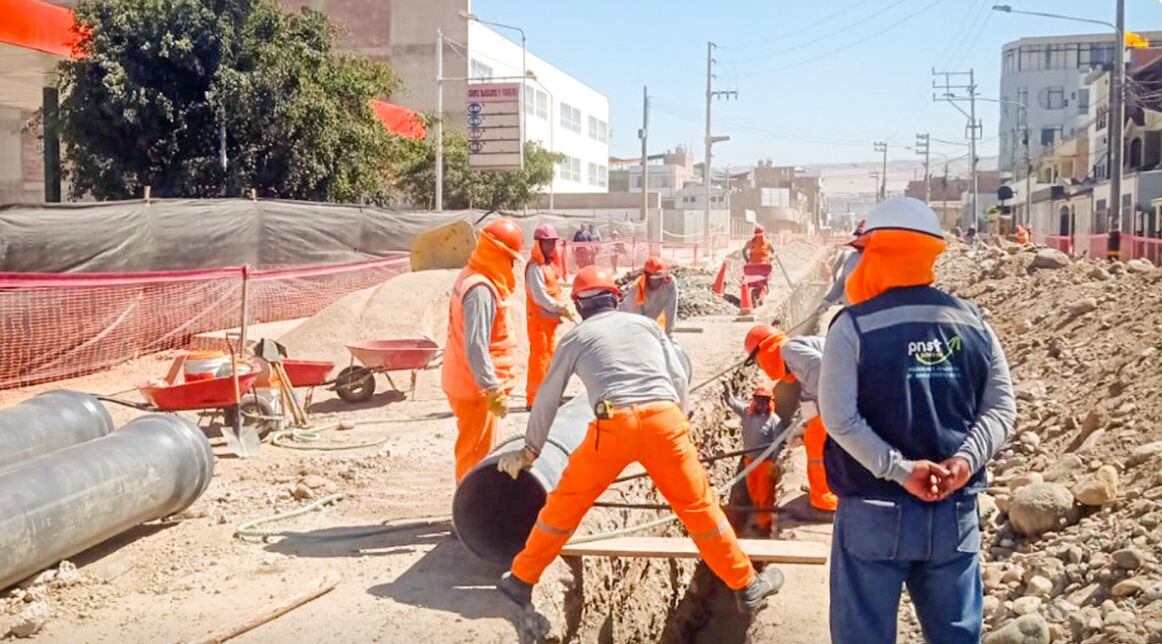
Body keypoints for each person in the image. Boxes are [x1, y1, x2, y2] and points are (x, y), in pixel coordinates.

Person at [495, 265, 785, 614]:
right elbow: (678, 374)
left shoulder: (575, 338)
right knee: (700, 510)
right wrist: (680, 417)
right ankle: (746, 586)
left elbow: (546, 396)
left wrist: (530, 450)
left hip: (610, 425)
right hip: (663, 421)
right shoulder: (647, 325)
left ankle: (521, 579)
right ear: (616, 299)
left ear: (578, 305)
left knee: (564, 505)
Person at [818, 196, 1016, 643]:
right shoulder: (975, 323)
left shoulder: (853, 326)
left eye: (863, 252)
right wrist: (964, 462)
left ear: (878, 252)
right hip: (954, 512)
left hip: (873, 514)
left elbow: (839, 418)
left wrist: (901, 471)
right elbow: (1002, 407)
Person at [441, 218, 525, 483]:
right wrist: (492, 387)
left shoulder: (474, 276)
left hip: (470, 383)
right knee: (474, 455)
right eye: (510, 258)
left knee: (479, 450)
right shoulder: (480, 290)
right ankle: (467, 516)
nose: (511, 265)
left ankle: (472, 510)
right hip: (476, 389)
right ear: (498, 254)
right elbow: (476, 346)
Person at [743, 326, 838, 512]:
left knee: (816, 440)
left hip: (843, 389)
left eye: (758, 362)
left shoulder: (789, 350)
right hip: (844, 389)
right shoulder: (793, 353)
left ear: (764, 350)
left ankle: (824, 501)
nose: (761, 367)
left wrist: (811, 414)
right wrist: (804, 424)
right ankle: (830, 488)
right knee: (826, 439)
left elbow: (819, 368)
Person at [525, 224, 576, 410]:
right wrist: (558, 307)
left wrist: (561, 306)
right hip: (539, 321)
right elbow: (540, 296)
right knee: (540, 360)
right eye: (548, 243)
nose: (552, 246)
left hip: (549, 321)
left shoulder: (547, 266)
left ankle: (548, 397)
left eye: (553, 243)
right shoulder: (534, 267)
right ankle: (534, 399)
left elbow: (554, 289)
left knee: (549, 359)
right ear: (539, 244)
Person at [723, 384, 782, 535]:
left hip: (764, 464)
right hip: (749, 461)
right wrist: (727, 393)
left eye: (765, 400)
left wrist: (774, 463)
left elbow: (777, 443)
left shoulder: (774, 420)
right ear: (754, 400)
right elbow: (733, 403)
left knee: (764, 496)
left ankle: (765, 526)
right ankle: (757, 518)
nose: (761, 403)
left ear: (769, 402)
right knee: (753, 492)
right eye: (758, 399)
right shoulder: (747, 413)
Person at [620, 256, 678, 336]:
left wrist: (669, 333)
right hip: (630, 324)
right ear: (647, 277)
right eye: (656, 279)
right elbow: (637, 321)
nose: (659, 283)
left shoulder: (669, 283)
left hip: (650, 323)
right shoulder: (636, 290)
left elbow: (671, 308)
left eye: (661, 278)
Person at [819, 220, 867, 310]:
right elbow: (841, 284)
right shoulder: (851, 258)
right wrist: (827, 301)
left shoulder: (882, 260)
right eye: (859, 237)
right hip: (852, 310)